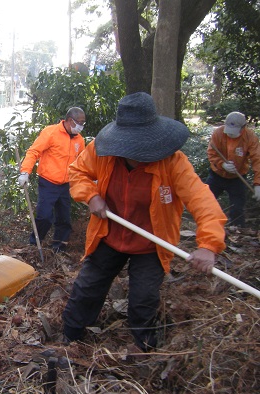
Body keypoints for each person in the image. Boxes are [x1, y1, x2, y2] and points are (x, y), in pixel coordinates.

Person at [62, 92, 226, 351]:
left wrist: (208, 244)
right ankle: (70, 338)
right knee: (87, 288)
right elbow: (77, 172)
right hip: (110, 234)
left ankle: (147, 349)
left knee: (143, 299)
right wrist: (91, 196)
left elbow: (202, 201)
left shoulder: (173, 162)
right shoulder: (103, 152)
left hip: (152, 243)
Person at [17, 107, 86, 252]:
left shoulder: (79, 140)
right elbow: (34, 151)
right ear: (69, 120)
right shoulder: (51, 132)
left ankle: (59, 248)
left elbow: (82, 162)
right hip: (48, 182)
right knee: (45, 216)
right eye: (78, 122)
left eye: (83, 123)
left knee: (64, 218)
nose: (81, 126)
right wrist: (25, 171)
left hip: (66, 184)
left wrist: (91, 178)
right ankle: (34, 244)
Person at [206, 111, 260, 227]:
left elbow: (257, 160)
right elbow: (211, 153)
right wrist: (222, 164)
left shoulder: (250, 138)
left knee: (237, 209)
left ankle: (237, 231)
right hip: (217, 175)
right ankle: (205, 224)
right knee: (205, 201)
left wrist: (258, 184)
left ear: (243, 128)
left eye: (233, 132)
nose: (230, 134)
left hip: (238, 178)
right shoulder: (218, 133)